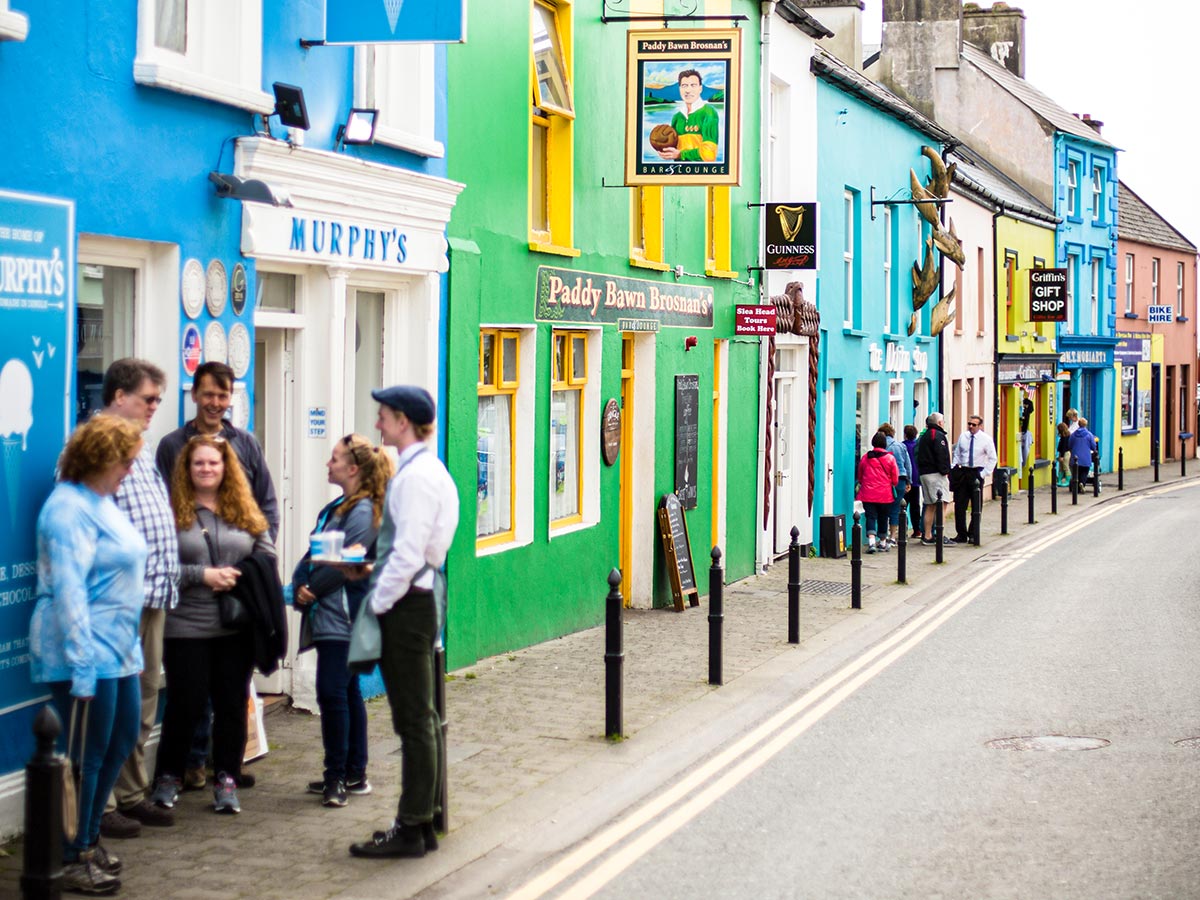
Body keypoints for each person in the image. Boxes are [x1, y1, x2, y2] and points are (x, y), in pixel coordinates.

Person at [29, 415, 147, 895]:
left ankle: (89, 837)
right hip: (83, 648)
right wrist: (81, 664)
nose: (130, 471)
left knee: (119, 743)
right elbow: (70, 590)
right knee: (87, 755)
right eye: (126, 462)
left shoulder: (102, 502)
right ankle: (73, 852)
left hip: (120, 647)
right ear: (102, 458)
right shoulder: (66, 510)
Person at [155, 361, 278, 790]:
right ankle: (189, 764)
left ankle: (225, 767)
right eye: (209, 394)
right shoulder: (173, 445)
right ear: (195, 395)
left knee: (229, 693)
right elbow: (164, 514)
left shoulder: (245, 444)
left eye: (223, 396)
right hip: (189, 604)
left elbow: (265, 505)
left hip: (235, 598)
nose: (215, 403)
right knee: (187, 696)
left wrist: (259, 563)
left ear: (231, 399)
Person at [349, 386, 459, 859]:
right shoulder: (428, 470)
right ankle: (424, 822)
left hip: (408, 605)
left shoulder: (415, 479)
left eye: (383, 417)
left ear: (403, 421)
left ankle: (413, 827)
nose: (377, 425)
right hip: (419, 597)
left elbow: (409, 553)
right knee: (423, 717)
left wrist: (377, 602)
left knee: (414, 720)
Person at [93, 361, 181, 841]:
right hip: (118, 596)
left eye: (157, 401)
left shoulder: (142, 448)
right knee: (114, 704)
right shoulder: (96, 444)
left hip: (155, 591)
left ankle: (130, 793)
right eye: (148, 399)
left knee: (145, 696)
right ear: (120, 394)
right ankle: (102, 804)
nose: (153, 408)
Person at [293, 434, 394, 808]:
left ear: (352, 469)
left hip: (347, 618)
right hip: (335, 616)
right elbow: (316, 553)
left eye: (334, 459)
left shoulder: (364, 511)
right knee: (348, 693)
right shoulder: (340, 508)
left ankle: (336, 776)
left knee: (332, 693)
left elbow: (345, 563)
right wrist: (300, 579)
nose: (327, 464)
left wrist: (311, 590)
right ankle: (354, 773)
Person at [950, 415, 997, 544]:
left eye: (974, 425)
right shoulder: (963, 437)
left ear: (980, 426)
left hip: (976, 472)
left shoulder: (986, 439)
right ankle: (961, 534)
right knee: (959, 505)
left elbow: (993, 458)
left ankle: (973, 534)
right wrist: (954, 467)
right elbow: (957, 453)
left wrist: (983, 474)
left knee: (976, 506)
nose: (971, 426)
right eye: (969, 424)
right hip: (963, 471)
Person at [655, 69, 719, 162]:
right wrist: (662, 146)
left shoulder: (709, 112)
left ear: (700, 88)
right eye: (684, 86)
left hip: (701, 173)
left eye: (693, 85)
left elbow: (709, 154)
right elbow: (674, 148)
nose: (688, 90)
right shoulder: (677, 117)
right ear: (679, 88)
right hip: (679, 171)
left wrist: (681, 154)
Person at [855, 432, 899, 554]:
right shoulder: (890, 458)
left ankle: (871, 542)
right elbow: (895, 479)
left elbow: (860, 475)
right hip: (885, 494)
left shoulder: (866, 457)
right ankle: (883, 543)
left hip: (868, 493)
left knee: (870, 516)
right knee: (883, 517)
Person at [915, 412, 953, 545]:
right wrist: (946, 471)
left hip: (924, 473)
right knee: (941, 504)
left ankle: (927, 535)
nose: (943, 423)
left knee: (930, 505)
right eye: (942, 420)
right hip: (935, 474)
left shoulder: (924, 435)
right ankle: (938, 535)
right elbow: (941, 455)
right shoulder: (937, 435)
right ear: (939, 423)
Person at [878, 423, 911, 549]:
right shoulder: (901, 446)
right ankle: (892, 537)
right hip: (900, 479)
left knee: (883, 508)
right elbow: (907, 465)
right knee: (895, 508)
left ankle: (883, 537)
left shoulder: (880, 446)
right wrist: (908, 481)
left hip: (884, 480)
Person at [902, 424, 922, 539]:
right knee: (915, 506)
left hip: (906, 479)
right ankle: (917, 530)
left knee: (903, 505)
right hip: (916, 479)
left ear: (905, 435)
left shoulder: (902, 446)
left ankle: (903, 529)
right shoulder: (917, 446)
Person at [1068, 416, 1099, 491]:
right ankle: (1082, 483)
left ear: (1078, 424)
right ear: (1085, 425)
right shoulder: (1089, 435)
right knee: (1084, 472)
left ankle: (1077, 487)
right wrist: (1094, 450)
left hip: (1075, 458)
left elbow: (1069, 445)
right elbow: (1093, 446)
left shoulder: (1073, 435)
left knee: (1076, 472)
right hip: (1085, 458)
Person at [1018, 398, 1035, 472]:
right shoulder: (1023, 410)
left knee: (1024, 452)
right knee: (1023, 452)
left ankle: (1022, 466)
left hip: (1024, 433)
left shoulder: (1026, 411)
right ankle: (1021, 466)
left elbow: (1031, 408)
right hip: (1021, 433)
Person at [1056, 422, 1072, 487]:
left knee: (1065, 466)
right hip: (1064, 453)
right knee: (1061, 467)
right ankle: (1059, 480)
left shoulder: (1065, 437)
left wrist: (1061, 456)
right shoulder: (1065, 436)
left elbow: (1064, 447)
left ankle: (1068, 481)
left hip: (1065, 453)